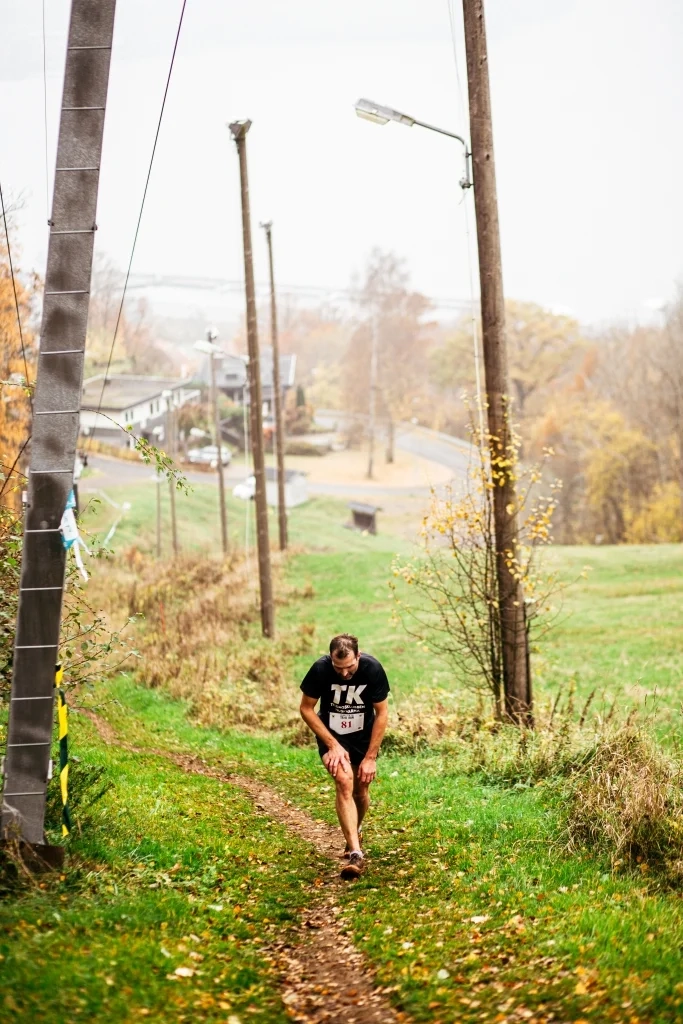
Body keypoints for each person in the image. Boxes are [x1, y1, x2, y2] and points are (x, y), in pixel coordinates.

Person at [299, 633, 390, 879]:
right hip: (332, 735)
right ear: (331, 659)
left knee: (361, 790)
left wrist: (371, 757)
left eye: (349, 667)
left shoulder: (372, 669)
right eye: (339, 668)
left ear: (358, 656)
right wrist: (331, 744)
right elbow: (306, 708)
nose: (344, 673)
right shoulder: (320, 669)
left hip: (363, 737)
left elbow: (382, 714)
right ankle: (355, 853)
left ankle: (356, 829)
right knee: (343, 782)